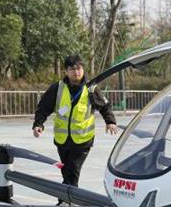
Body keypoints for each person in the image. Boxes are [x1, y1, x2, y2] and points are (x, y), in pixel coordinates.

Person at [33, 55, 119, 198]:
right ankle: (67, 198)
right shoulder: (57, 88)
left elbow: (104, 106)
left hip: (82, 140)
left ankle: (68, 200)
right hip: (62, 140)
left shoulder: (91, 89)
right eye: (72, 69)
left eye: (79, 68)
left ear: (83, 69)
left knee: (73, 170)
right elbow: (44, 107)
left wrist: (110, 121)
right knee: (66, 170)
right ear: (66, 71)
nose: (76, 72)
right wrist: (38, 124)